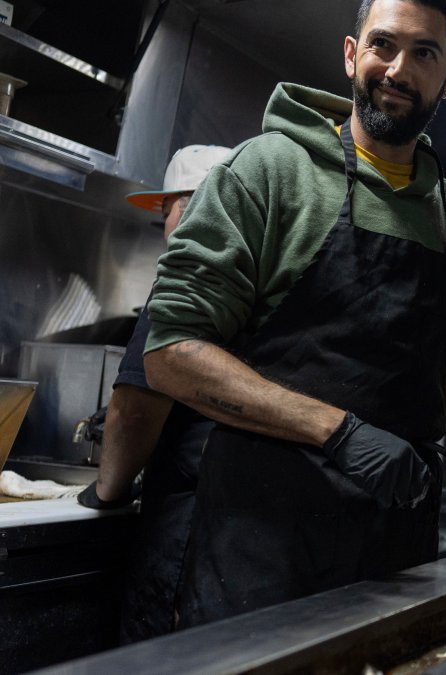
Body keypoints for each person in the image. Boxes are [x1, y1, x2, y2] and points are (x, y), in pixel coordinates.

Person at [142, 0, 446, 628]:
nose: (399, 69)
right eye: (384, 45)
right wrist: (337, 430)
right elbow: (172, 355)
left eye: (425, 53)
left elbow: (431, 366)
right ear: (352, 54)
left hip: (396, 555)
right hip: (262, 554)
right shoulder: (269, 172)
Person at [75, 144, 231, 643]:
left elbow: (135, 413)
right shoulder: (264, 279)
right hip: (241, 538)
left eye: (167, 211)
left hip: (183, 532)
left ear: (188, 207)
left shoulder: (189, 278)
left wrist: (108, 491)